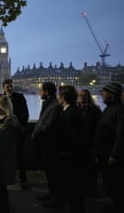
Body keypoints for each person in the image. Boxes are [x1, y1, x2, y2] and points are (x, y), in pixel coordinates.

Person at [53, 85, 87, 213]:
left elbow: (73, 137)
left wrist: (65, 152)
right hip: (69, 155)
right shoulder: (71, 111)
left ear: (63, 97)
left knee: (73, 191)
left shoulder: (71, 113)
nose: (57, 97)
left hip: (69, 157)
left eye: (58, 95)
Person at [31, 82, 63, 207]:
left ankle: (57, 200)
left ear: (47, 92)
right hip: (45, 144)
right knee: (49, 172)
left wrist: (36, 133)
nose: (39, 93)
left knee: (55, 173)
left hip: (50, 144)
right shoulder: (48, 104)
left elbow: (49, 125)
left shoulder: (55, 106)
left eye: (41, 91)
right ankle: (52, 193)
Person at [94, 82, 124, 213]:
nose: (101, 93)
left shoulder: (119, 110)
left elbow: (121, 134)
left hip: (110, 154)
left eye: (104, 91)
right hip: (103, 152)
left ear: (112, 94)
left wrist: (115, 154)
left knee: (114, 182)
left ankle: (119, 205)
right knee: (108, 181)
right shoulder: (108, 108)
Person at [0, 79, 29, 189]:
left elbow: (25, 114)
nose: (10, 88)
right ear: (4, 87)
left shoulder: (20, 97)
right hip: (5, 132)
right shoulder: (0, 97)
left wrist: (20, 126)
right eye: (8, 86)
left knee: (20, 156)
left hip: (17, 131)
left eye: (11, 86)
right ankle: (7, 178)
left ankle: (23, 179)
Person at [77, 89, 101, 197]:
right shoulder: (76, 109)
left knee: (91, 169)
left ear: (88, 97)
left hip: (90, 143)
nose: (82, 97)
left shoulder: (95, 110)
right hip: (79, 143)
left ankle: (92, 190)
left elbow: (98, 128)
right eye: (80, 95)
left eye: (84, 95)